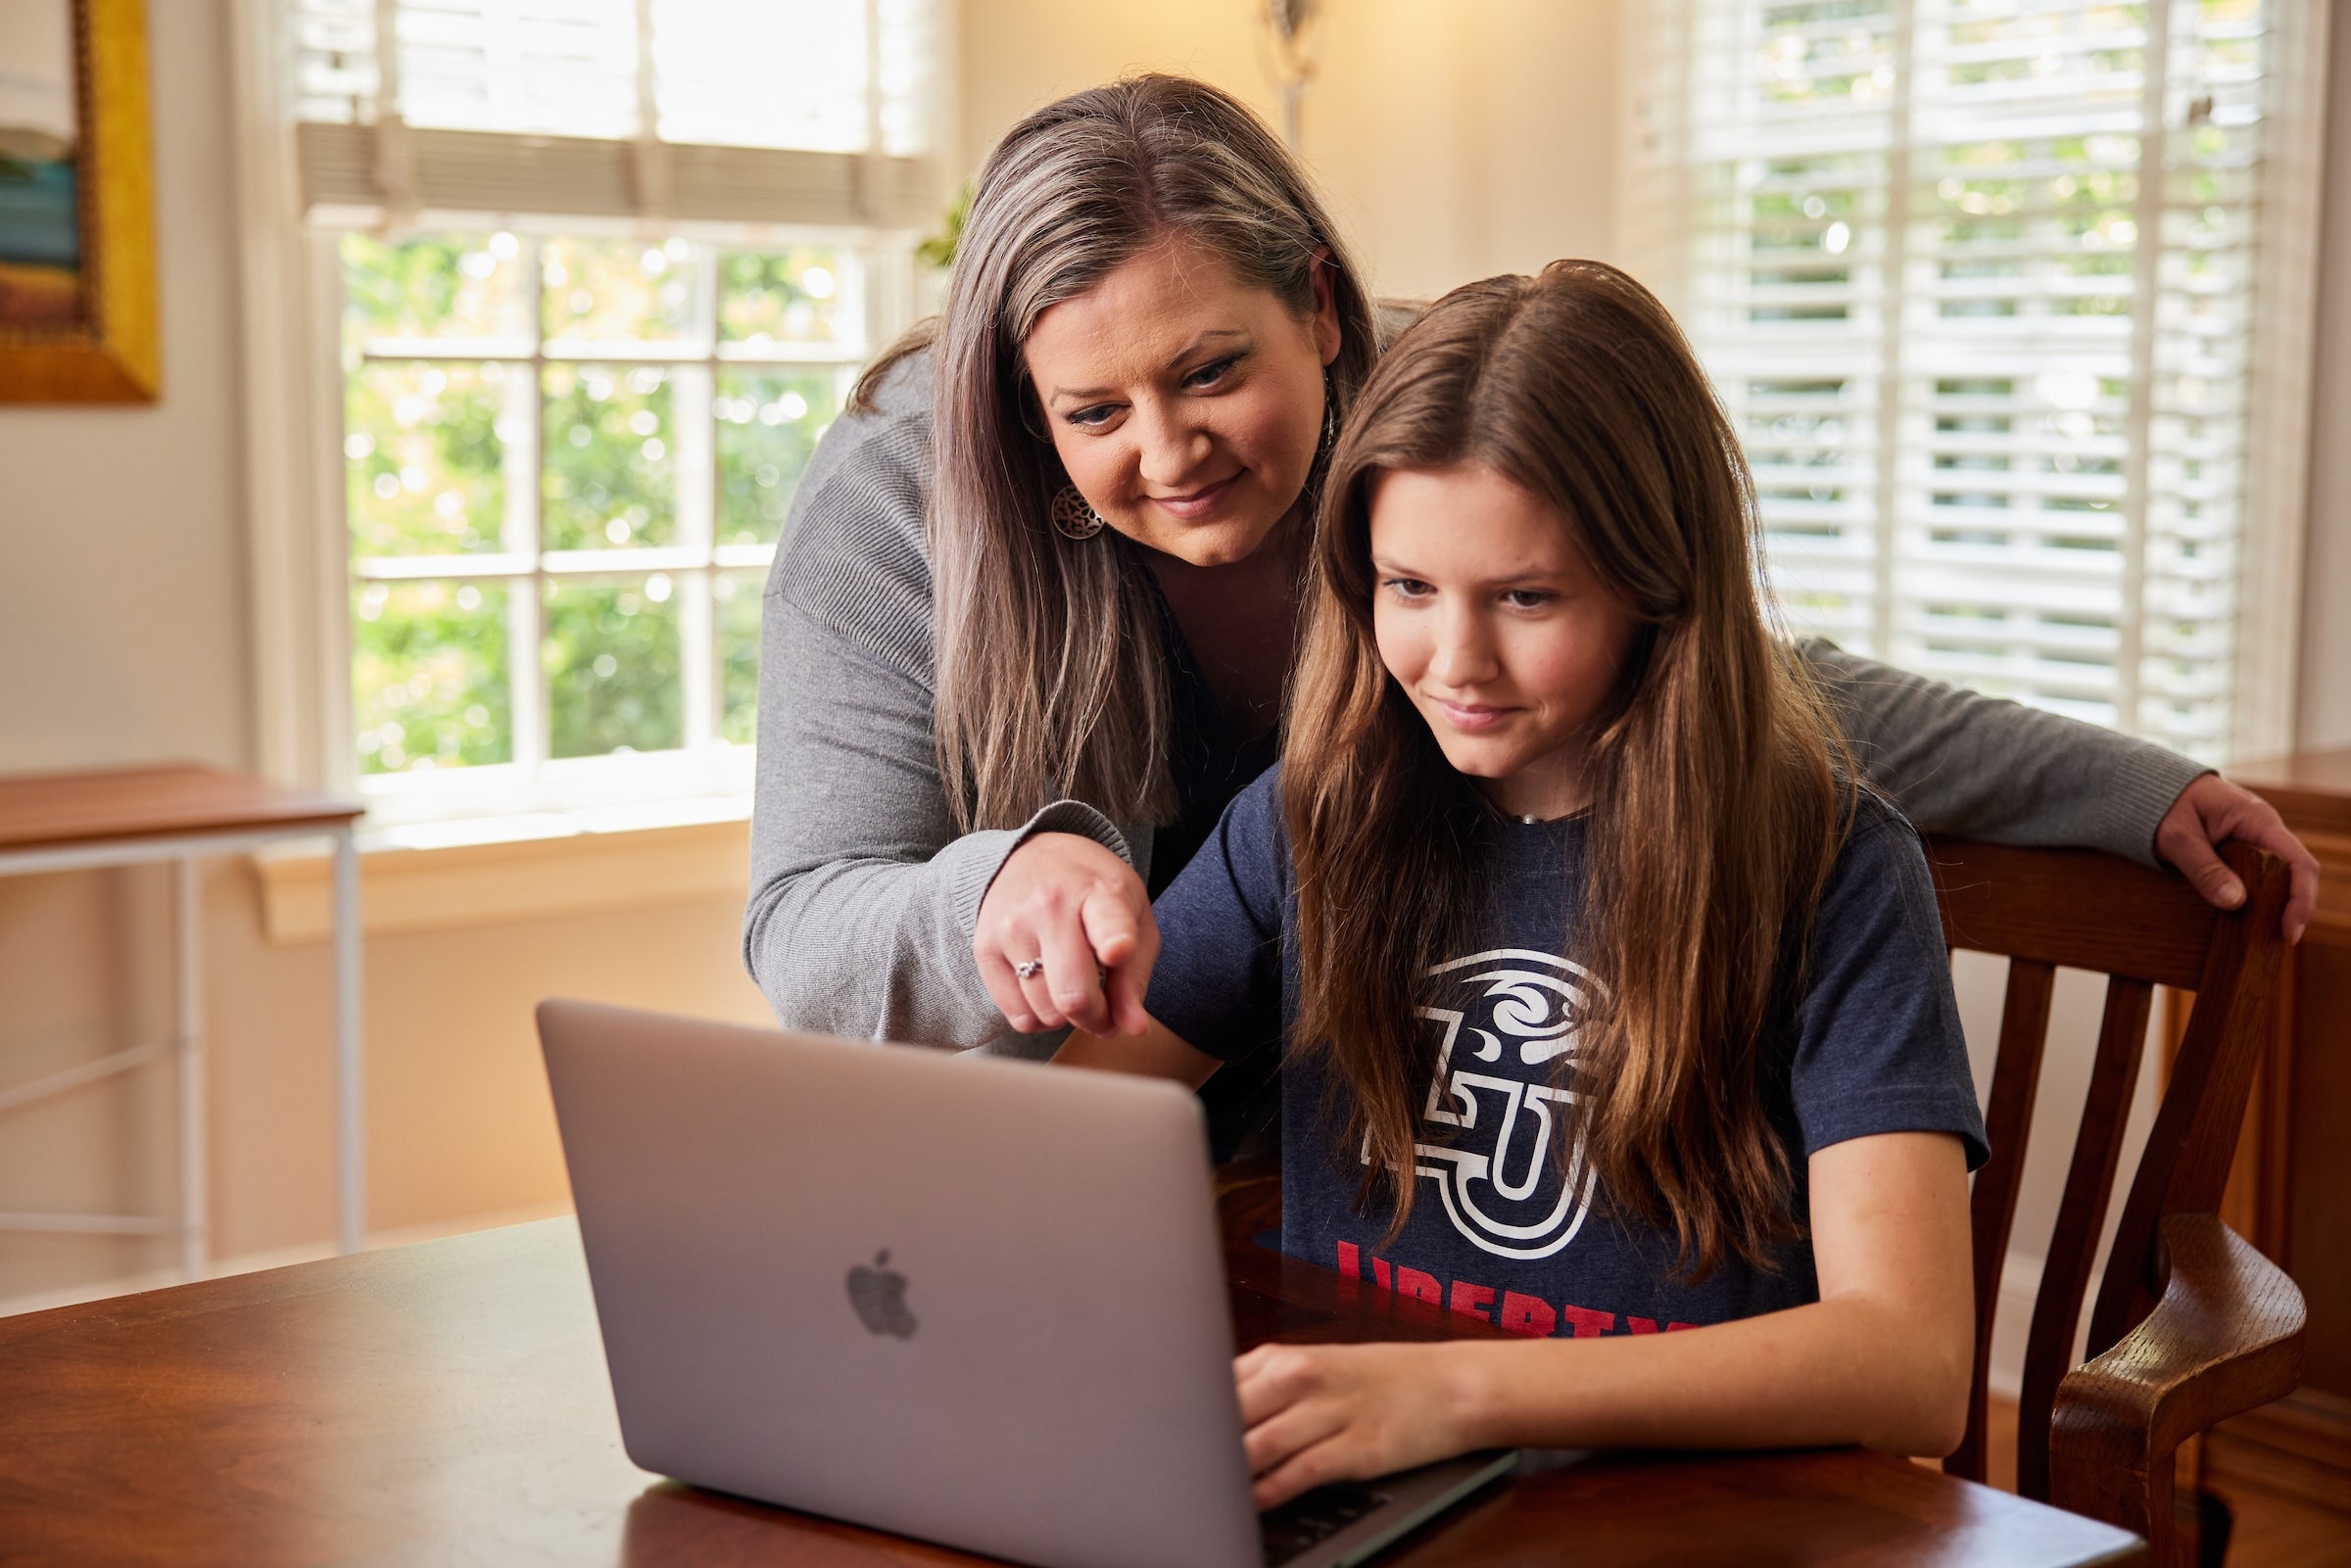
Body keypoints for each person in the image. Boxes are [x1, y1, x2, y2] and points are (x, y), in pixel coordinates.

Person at [743, 75, 2317, 1119]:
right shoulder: (897, 498)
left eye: (1214, 369)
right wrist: (994, 893)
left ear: (1320, 304)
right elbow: (809, 935)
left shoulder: (1444, 414)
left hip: (1389, 1167)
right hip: (1071, 1147)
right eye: (1093, 413)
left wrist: (2130, 784)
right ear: (1018, 404)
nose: (1171, 453)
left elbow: (1716, 672)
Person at [1054, 261, 1985, 1506]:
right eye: (1409, 588)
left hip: (1687, 1509)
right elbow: (1064, 1144)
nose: (1456, 660)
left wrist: (1453, 1394)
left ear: (1659, 590)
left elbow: (1911, 1362)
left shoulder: (1835, 869)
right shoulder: (1309, 819)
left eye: (1527, 596)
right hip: (1375, 1483)